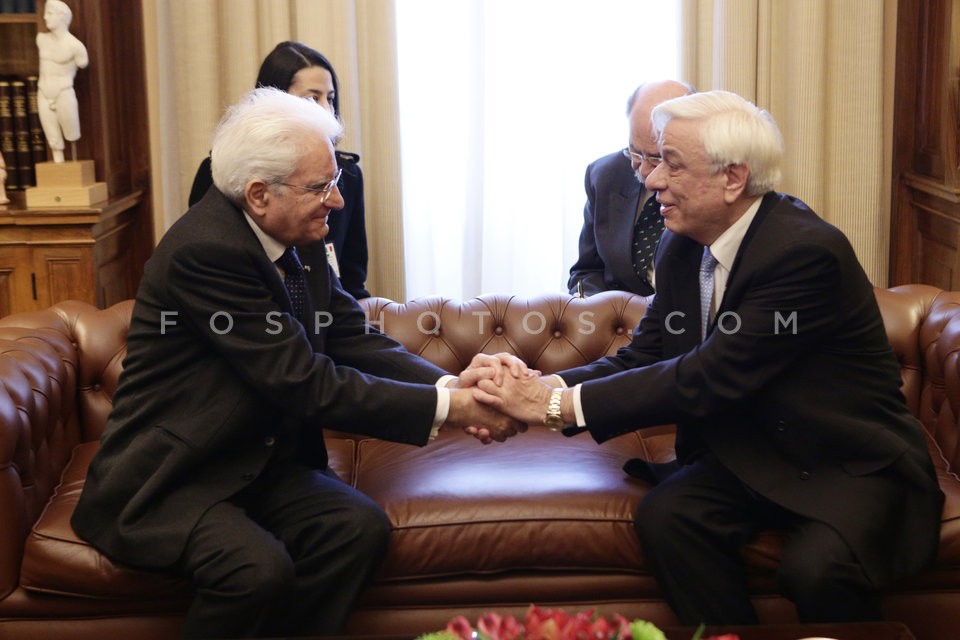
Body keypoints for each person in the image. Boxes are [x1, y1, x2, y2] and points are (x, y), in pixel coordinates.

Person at [476, 90, 944, 626]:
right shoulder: (683, 245)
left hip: (846, 463)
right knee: (669, 517)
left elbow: (710, 375)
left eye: (670, 165)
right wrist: (540, 386)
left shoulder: (802, 252)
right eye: (651, 162)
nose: (650, 182)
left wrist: (553, 407)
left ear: (733, 178)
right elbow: (647, 354)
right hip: (748, 454)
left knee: (814, 569)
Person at [70, 87, 524, 639]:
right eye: (322, 186)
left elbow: (349, 335)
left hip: (258, 462)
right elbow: (303, 383)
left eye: (333, 181)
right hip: (178, 476)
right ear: (259, 194)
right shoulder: (207, 251)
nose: (336, 200)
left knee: (355, 530)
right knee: (255, 573)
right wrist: (454, 408)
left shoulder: (299, 233)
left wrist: (450, 382)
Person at [189, 41, 371, 299]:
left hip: (326, 310)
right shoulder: (220, 173)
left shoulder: (348, 174)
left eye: (329, 99)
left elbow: (352, 280)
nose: (326, 111)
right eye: (311, 99)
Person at [567, 80, 693, 297]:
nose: (644, 171)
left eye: (656, 158)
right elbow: (587, 270)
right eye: (635, 152)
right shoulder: (605, 176)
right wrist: (595, 310)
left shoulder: (705, 184)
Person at [36, 0, 88, 164]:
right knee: (53, 138)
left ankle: (72, 164)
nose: (45, 17)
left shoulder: (76, 47)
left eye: (49, 13)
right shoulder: (41, 39)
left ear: (62, 17)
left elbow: (82, 63)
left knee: (71, 132)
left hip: (63, 91)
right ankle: (59, 165)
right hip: (43, 91)